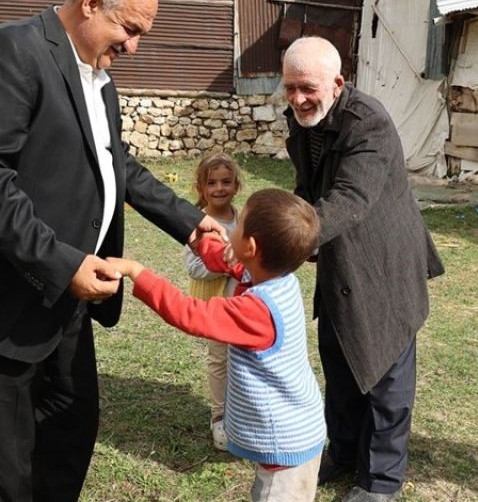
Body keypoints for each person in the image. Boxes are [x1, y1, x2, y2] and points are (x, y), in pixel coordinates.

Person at [0, 0, 224, 502]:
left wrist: (189, 223)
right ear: (91, 3)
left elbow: (116, 163)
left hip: (65, 298)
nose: (134, 47)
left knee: (71, 431)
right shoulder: (7, 53)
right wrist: (61, 263)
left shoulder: (100, 80)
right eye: (130, 29)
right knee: (2, 473)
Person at [280, 36, 444, 502]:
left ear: (337, 82)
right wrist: (288, 218)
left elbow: (351, 199)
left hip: (384, 262)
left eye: (307, 88)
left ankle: (380, 481)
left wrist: (286, 242)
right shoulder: (302, 123)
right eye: (289, 88)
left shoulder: (367, 123)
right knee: (340, 361)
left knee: (386, 370)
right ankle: (345, 452)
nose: (297, 99)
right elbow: (309, 188)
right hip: (339, 259)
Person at [109, 187, 325, 502]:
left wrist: (137, 273)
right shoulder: (275, 277)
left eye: (237, 226)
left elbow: (190, 313)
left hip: (286, 445)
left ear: (250, 247)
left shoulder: (257, 310)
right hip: (297, 430)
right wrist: (198, 237)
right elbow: (224, 259)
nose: (230, 230)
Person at [182, 152, 244, 450]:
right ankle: (219, 416)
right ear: (201, 188)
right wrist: (224, 262)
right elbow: (194, 267)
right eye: (212, 183)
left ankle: (241, 414)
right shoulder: (197, 223)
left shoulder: (243, 219)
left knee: (242, 360)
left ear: (236, 186)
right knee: (219, 360)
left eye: (226, 182)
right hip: (216, 307)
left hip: (243, 308)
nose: (220, 188)